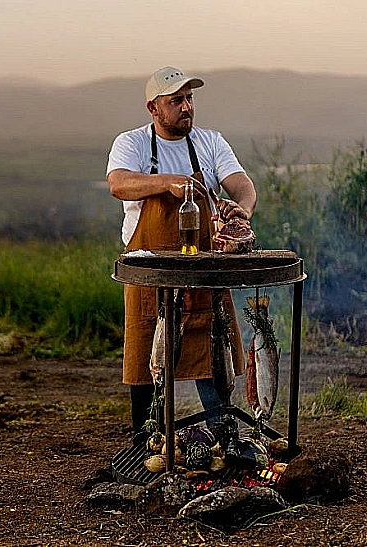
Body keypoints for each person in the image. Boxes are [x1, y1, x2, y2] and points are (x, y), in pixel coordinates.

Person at [106, 66, 257, 441]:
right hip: (150, 268)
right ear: (153, 108)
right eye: (176, 101)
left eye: (189, 99)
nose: (186, 107)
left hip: (202, 264)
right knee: (147, 351)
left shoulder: (210, 142)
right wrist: (167, 184)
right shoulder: (132, 143)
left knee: (211, 340)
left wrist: (243, 209)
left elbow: (241, 184)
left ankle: (224, 437)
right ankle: (148, 439)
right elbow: (118, 183)